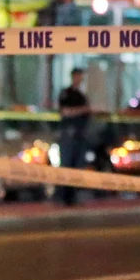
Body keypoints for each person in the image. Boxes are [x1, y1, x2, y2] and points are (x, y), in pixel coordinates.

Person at [55, 66, 93, 206]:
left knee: (77, 166)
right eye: (79, 76)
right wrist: (83, 110)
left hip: (80, 135)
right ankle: (63, 197)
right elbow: (65, 112)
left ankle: (72, 198)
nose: (80, 79)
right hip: (69, 135)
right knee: (67, 166)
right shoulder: (67, 93)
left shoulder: (81, 95)